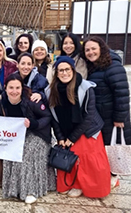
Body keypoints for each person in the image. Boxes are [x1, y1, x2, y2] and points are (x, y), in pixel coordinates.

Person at [45, 56, 111, 198]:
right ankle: (69, 183)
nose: (64, 73)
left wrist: (73, 138)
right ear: (56, 73)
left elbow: (89, 115)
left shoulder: (86, 88)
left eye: (67, 69)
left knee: (85, 156)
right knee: (67, 156)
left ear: (73, 70)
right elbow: (53, 118)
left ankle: (81, 186)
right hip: (66, 130)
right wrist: (61, 137)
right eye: (60, 70)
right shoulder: (50, 91)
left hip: (87, 130)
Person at [0, 73, 56, 204]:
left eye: (17, 88)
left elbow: (47, 116)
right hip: (14, 135)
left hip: (37, 133)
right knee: (12, 151)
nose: (14, 91)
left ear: (22, 88)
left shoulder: (31, 100)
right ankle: (14, 189)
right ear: (5, 88)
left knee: (26, 152)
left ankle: (31, 190)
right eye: (11, 88)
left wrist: (34, 123)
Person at [82, 36, 131, 188]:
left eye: (93, 49)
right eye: (87, 50)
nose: (90, 52)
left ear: (101, 49)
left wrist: (119, 117)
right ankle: (106, 176)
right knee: (103, 147)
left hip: (112, 117)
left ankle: (113, 177)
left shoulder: (113, 66)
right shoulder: (94, 67)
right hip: (100, 116)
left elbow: (122, 94)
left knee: (112, 148)